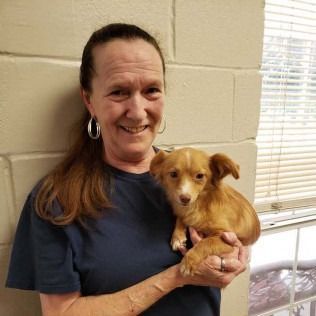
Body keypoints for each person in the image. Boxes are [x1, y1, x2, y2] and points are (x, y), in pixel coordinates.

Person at [6, 23, 248, 316]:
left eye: (151, 90)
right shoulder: (54, 200)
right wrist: (177, 276)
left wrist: (230, 258)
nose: (137, 111)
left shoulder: (198, 175)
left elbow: (230, 241)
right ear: (89, 100)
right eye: (119, 92)